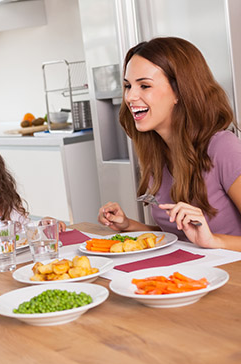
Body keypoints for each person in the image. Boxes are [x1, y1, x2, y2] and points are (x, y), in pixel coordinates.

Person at [98, 37, 241, 251]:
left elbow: (203, 239)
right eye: (128, 85)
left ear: (179, 91)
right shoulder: (159, 152)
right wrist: (128, 225)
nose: (130, 96)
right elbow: (178, 237)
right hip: (187, 276)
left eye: (144, 85)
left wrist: (213, 241)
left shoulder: (223, 148)